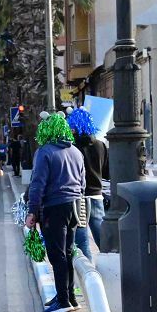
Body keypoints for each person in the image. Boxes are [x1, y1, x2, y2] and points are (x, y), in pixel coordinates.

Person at [25, 113, 85, 312]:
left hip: (54, 207)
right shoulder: (76, 151)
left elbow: (37, 184)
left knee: (56, 254)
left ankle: (63, 300)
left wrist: (32, 211)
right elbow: (82, 183)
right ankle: (69, 296)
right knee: (68, 252)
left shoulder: (45, 152)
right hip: (75, 205)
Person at [67, 108, 109, 256]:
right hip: (96, 195)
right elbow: (107, 173)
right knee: (102, 236)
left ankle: (88, 273)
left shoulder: (71, 148)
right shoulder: (100, 145)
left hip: (78, 197)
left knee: (81, 240)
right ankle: (110, 266)